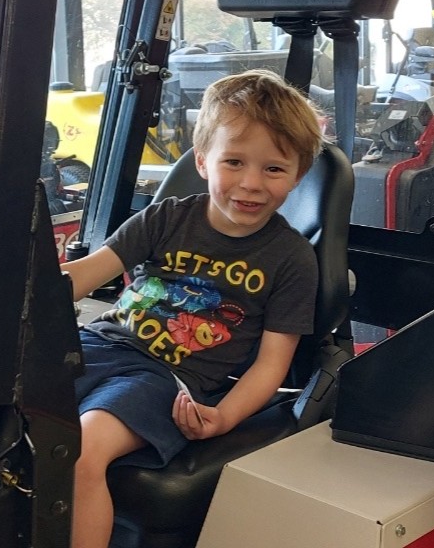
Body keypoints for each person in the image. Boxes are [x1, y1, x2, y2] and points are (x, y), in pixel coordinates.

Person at [62, 68, 327, 548]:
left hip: (165, 378)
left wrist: (223, 417)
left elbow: (272, 365)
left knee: (80, 451)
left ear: (298, 176)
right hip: (98, 344)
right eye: (234, 163)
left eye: (273, 169)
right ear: (202, 161)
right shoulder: (167, 217)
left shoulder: (291, 260)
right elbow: (83, 276)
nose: (250, 184)